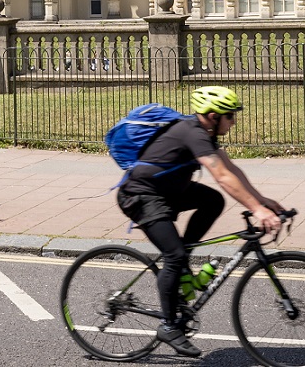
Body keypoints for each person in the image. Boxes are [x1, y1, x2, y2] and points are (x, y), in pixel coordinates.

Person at [116, 86, 285, 358]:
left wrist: (262, 201)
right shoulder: (192, 132)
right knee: (173, 254)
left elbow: (231, 169)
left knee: (213, 200)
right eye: (230, 115)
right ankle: (169, 326)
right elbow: (220, 175)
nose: (234, 121)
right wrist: (257, 210)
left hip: (169, 193)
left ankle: (182, 267)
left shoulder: (204, 134)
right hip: (141, 197)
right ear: (212, 115)